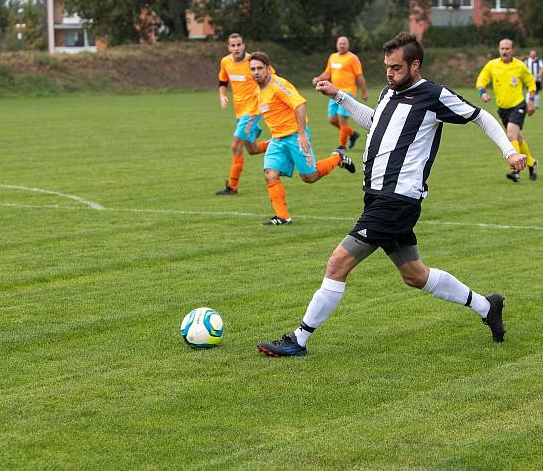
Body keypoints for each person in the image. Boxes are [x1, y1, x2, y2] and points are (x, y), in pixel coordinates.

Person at [256, 32, 526, 357]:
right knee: (415, 275)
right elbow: (375, 120)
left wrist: (509, 151)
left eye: (396, 67)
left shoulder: (433, 95)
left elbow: (480, 116)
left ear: (415, 64)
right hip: (377, 196)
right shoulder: (388, 92)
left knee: (337, 264)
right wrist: (340, 95)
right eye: (386, 67)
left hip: (396, 201)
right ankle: (487, 307)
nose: (389, 73)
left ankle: (298, 339)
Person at [249, 51, 356, 225]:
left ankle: (338, 158)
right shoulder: (258, 90)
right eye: (252, 69)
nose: (256, 72)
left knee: (309, 177)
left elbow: (299, 105)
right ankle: (283, 217)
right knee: (270, 174)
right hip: (277, 140)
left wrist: (300, 134)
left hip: (295, 136)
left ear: (268, 69)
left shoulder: (278, 85)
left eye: (259, 68)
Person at [476, 39, 538, 182]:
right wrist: (482, 93)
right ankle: (532, 163)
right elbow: (481, 81)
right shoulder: (492, 65)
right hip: (502, 109)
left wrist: (531, 101)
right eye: (502, 48)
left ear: (512, 50)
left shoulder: (520, 66)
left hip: (518, 105)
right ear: (499, 50)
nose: (505, 51)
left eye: (507, 48)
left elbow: (531, 83)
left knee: (511, 135)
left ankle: (516, 171)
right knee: (518, 138)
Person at [215, 33, 270, 195]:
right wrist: (222, 95)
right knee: (252, 149)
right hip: (240, 111)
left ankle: (232, 187)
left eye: (239, 45)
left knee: (235, 145)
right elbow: (223, 81)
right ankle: (279, 142)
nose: (236, 48)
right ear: (229, 47)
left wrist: (261, 93)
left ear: (244, 45)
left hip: (253, 110)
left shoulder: (252, 62)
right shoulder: (225, 62)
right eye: (233, 45)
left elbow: (271, 75)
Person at [312, 36, 369, 150]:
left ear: (348, 45)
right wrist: (319, 78)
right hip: (333, 91)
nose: (342, 45)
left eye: (344, 43)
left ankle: (342, 146)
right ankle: (352, 134)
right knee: (332, 119)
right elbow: (328, 73)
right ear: (337, 44)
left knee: (342, 119)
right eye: (340, 43)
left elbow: (359, 76)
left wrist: (364, 91)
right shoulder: (333, 57)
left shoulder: (353, 58)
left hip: (348, 92)